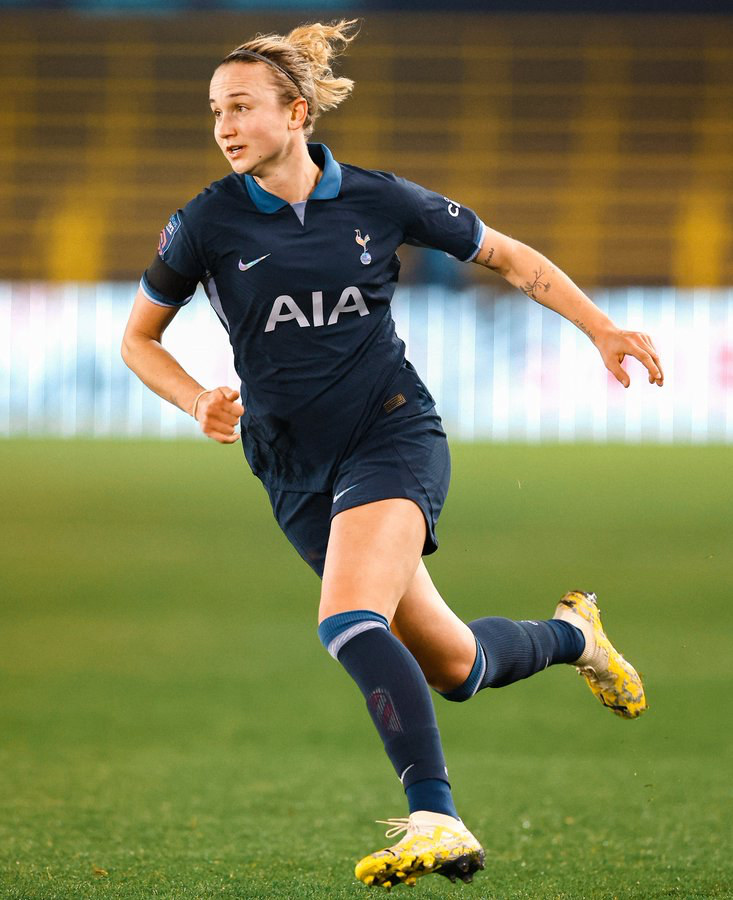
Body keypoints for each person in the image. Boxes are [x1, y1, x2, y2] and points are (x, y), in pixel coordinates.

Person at [121, 18, 664, 891]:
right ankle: (574, 637)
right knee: (453, 667)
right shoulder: (204, 223)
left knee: (347, 620)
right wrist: (194, 399)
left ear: (296, 112)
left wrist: (600, 328)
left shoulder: (378, 200)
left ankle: (435, 818)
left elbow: (506, 256)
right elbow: (138, 339)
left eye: (242, 107)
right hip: (290, 467)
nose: (224, 126)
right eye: (215, 110)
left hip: (389, 432)